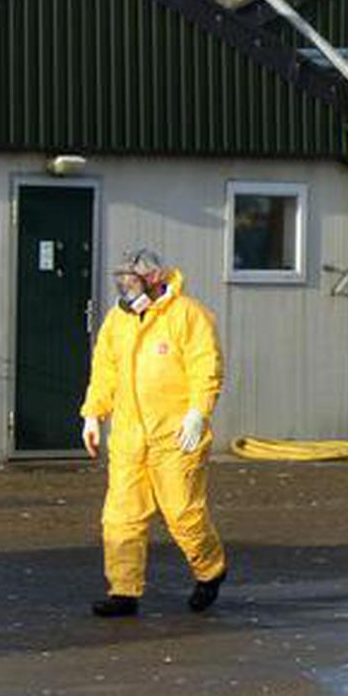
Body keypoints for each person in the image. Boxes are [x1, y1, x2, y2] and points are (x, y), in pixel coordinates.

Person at [79, 249, 228, 617]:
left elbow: (205, 367)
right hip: (130, 436)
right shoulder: (118, 320)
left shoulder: (188, 316)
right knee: (121, 516)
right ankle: (123, 591)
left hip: (175, 436)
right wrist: (93, 415)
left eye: (133, 281)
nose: (126, 288)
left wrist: (197, 413)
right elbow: (104, 370)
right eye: (122, 281)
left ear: (155, 278)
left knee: (182, 512)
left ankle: (211, 570)